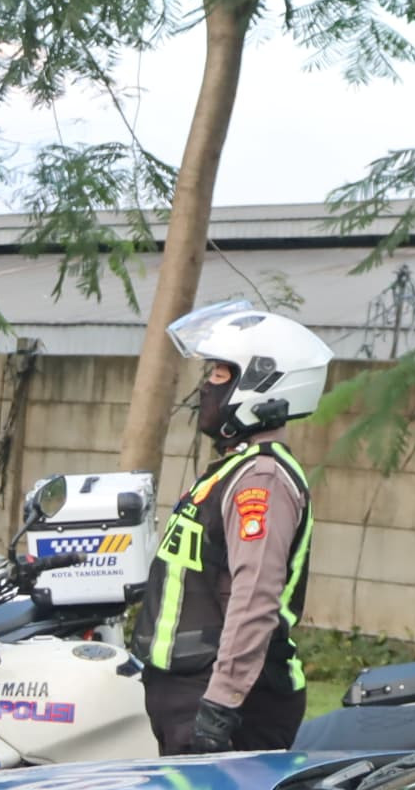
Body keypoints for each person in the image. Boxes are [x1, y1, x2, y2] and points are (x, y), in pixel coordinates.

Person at [137, 301, 329, 755]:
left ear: (261, 383)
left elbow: (255, 596)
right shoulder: (233, 470)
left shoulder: (260, 479)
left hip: (228, 703)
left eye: (221, 374)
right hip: (187, 691)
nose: (207, 386)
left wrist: (220, 705)